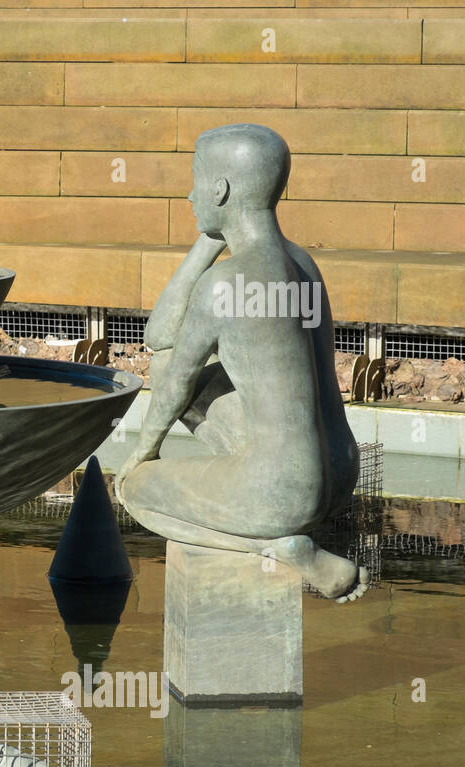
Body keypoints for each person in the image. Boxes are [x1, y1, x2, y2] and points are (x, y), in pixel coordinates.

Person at [114, 124, 366, 602]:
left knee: (135, 491)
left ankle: (276, 545)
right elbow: (161, 341)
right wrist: (216, 233)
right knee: (172, 367)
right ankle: (281, 530)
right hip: (337, 473)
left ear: (220, 189)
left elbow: (173, 381)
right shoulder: (303, 265)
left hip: (280, 494)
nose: (189, 195)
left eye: (195, 181)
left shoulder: (225, 285)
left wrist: (139, 456)